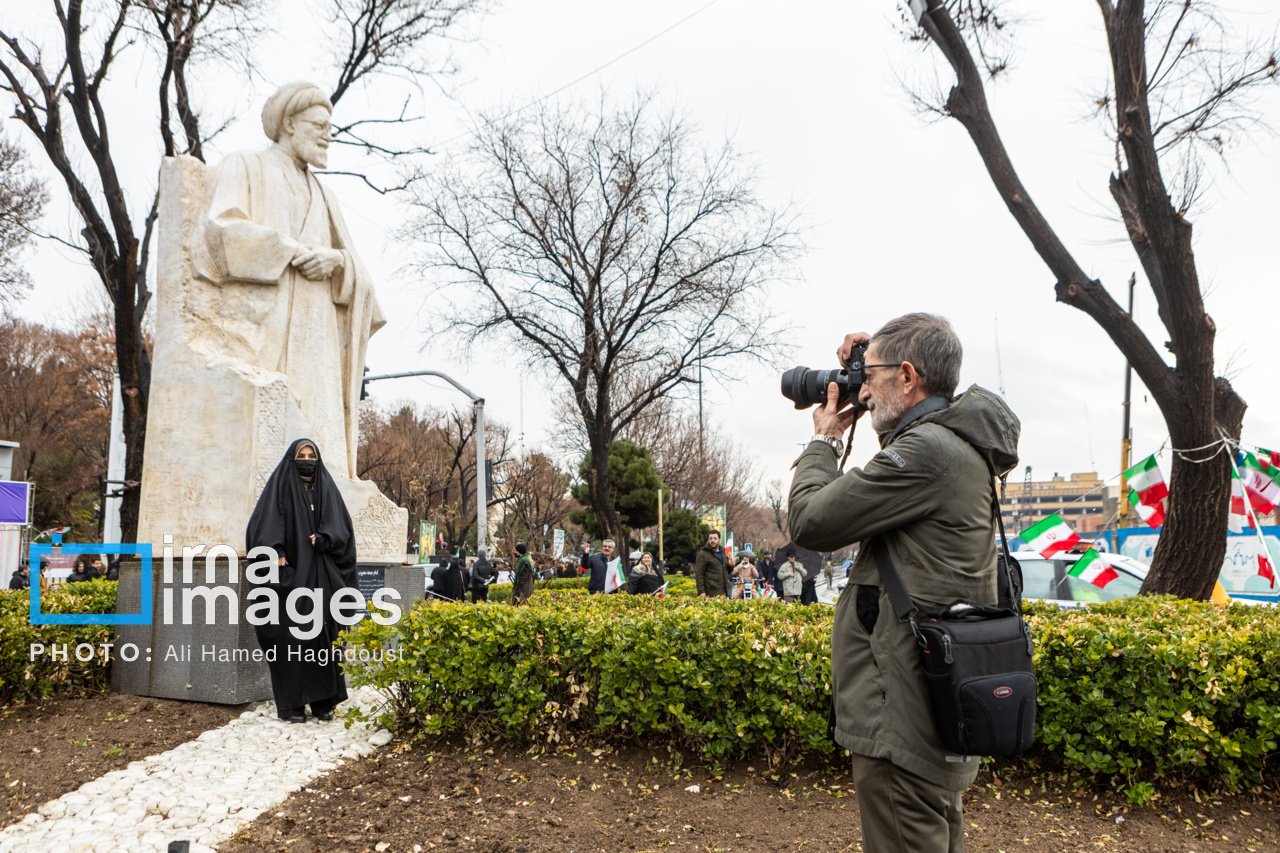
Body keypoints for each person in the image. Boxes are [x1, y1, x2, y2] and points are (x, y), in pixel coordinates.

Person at [787, 313, 1019, 853]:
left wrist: (823, 440)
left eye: (870, 376)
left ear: (909, 377)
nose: (860, 389)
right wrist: (870, 357)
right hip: (931, 705)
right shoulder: (953, 445)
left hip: (903, 717)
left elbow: (810, 521)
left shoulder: (928, 453)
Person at [246, 438, 359, 724]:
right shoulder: (280, 487)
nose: (307, 460)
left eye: (312, 455)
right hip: (291, 577)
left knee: (325, 635)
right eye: (302, 455)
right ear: (292, 459)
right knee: (289, 637)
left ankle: (323, 701)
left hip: (322, 575)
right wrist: (276, 552)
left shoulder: (326, 488)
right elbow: (262, 524)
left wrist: (326, 538)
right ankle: (291, 705)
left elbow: (342, 529)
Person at [691, 530, 729, 598]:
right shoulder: (703, 553)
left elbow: (727, 571)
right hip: (710, 592)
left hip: (723, 592)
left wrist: (731, 565)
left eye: (715, 538)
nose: (712, 540)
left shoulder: (723, 553)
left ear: (719, 540)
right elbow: (699, 574)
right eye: (710, 538)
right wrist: (701, 591)